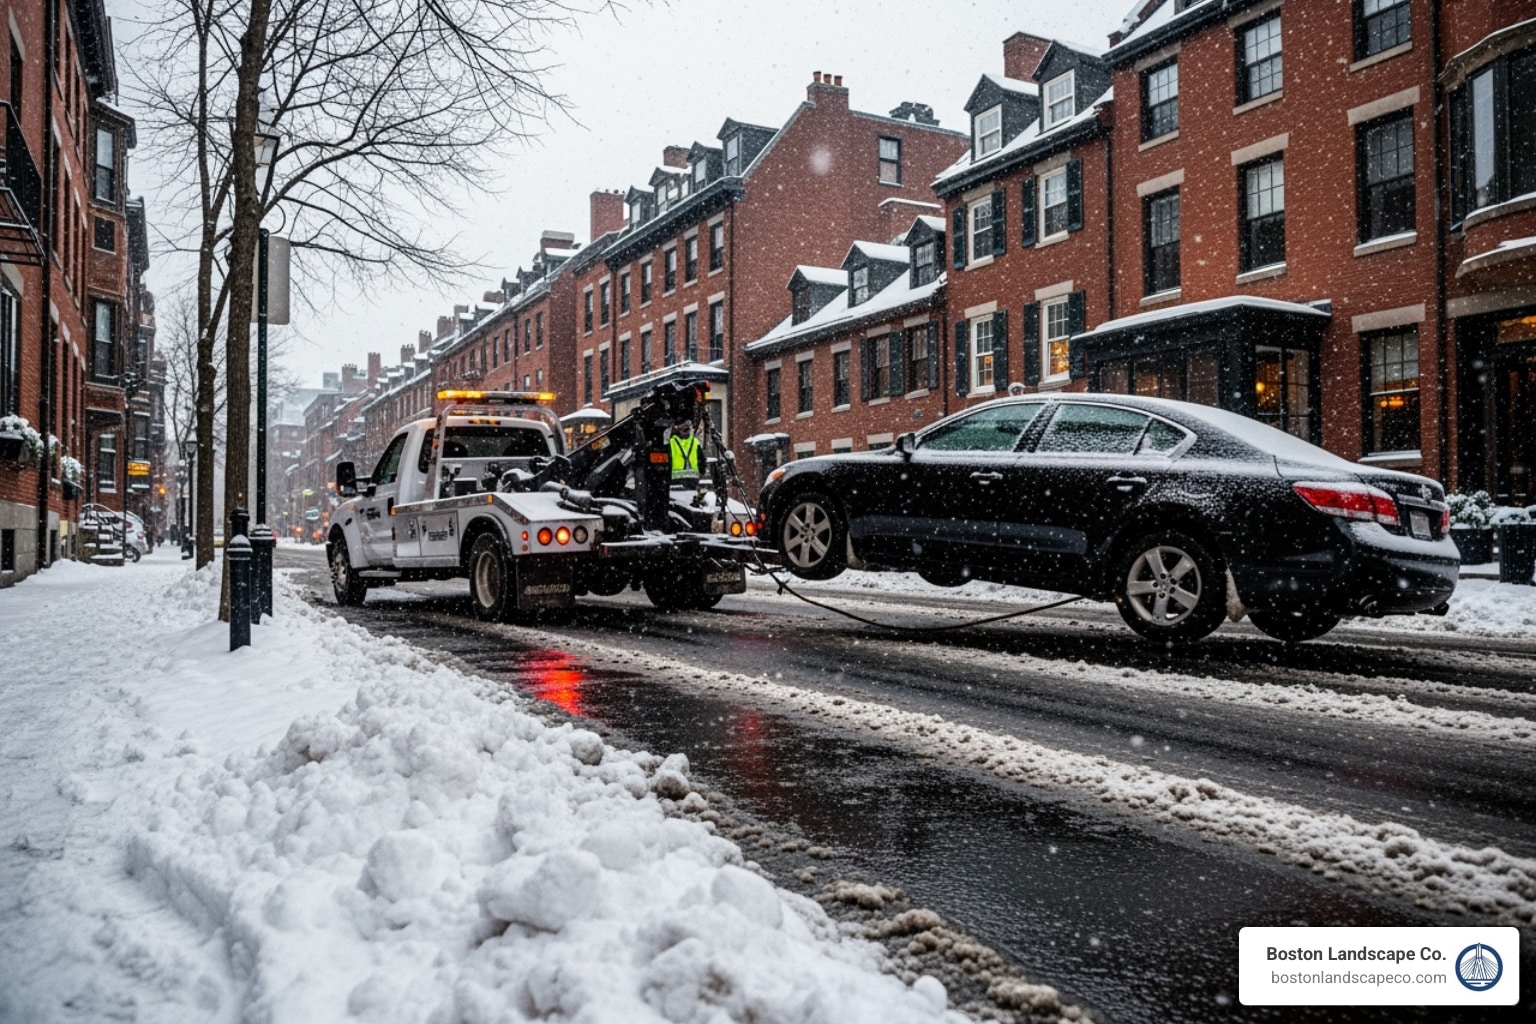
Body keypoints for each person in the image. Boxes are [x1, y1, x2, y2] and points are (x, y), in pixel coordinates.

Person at [670, 418, 701, 486]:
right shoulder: (695, 442)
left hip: (676, 478)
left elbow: (669, 460)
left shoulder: (671, 442)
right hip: (693, 478)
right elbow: (702, 460)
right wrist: (701, 472)